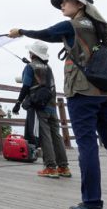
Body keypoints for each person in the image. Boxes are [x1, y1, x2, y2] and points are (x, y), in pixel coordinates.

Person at [8, 0, 107, 209]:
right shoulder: (99, 26)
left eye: (66, 1)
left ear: (80, 4)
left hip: (83, 94)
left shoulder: (73, 25)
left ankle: (92, 206)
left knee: (87, 146)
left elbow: (46, 34)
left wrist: (20, 32)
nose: (62, 5)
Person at [12, 41, 70, 179]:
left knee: (45, 136)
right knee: (56, 135)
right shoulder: (48, 67)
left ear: (33, 54)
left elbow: (26, 86)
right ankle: (64, 167)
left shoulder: (30, 67)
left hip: (39, 107)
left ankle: (50, 167)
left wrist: (18, 103)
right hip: (52, 105)